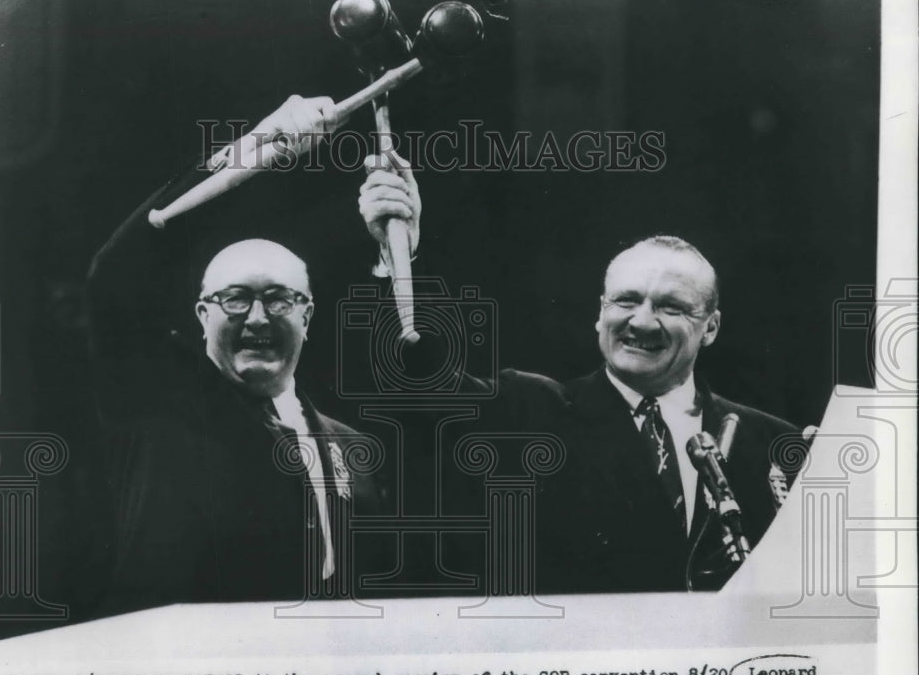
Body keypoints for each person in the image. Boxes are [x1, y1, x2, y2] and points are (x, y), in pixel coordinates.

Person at [358, 154, 799, 593]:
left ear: (711, 327)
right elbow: (417, 383)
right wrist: (398, 255)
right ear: (599, 313)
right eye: (625, 301)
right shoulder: (530, 413)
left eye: (671, 306)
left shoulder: (772, 445)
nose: (642, 322)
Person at [86, 96, 390, 616]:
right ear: (202, 315)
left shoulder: (354, 449)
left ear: (307, 316)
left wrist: (392, 256)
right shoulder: (160, 404)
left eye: (278, 299)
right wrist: (256, 148)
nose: (257, 318)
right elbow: (115, 281)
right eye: (235, 299)